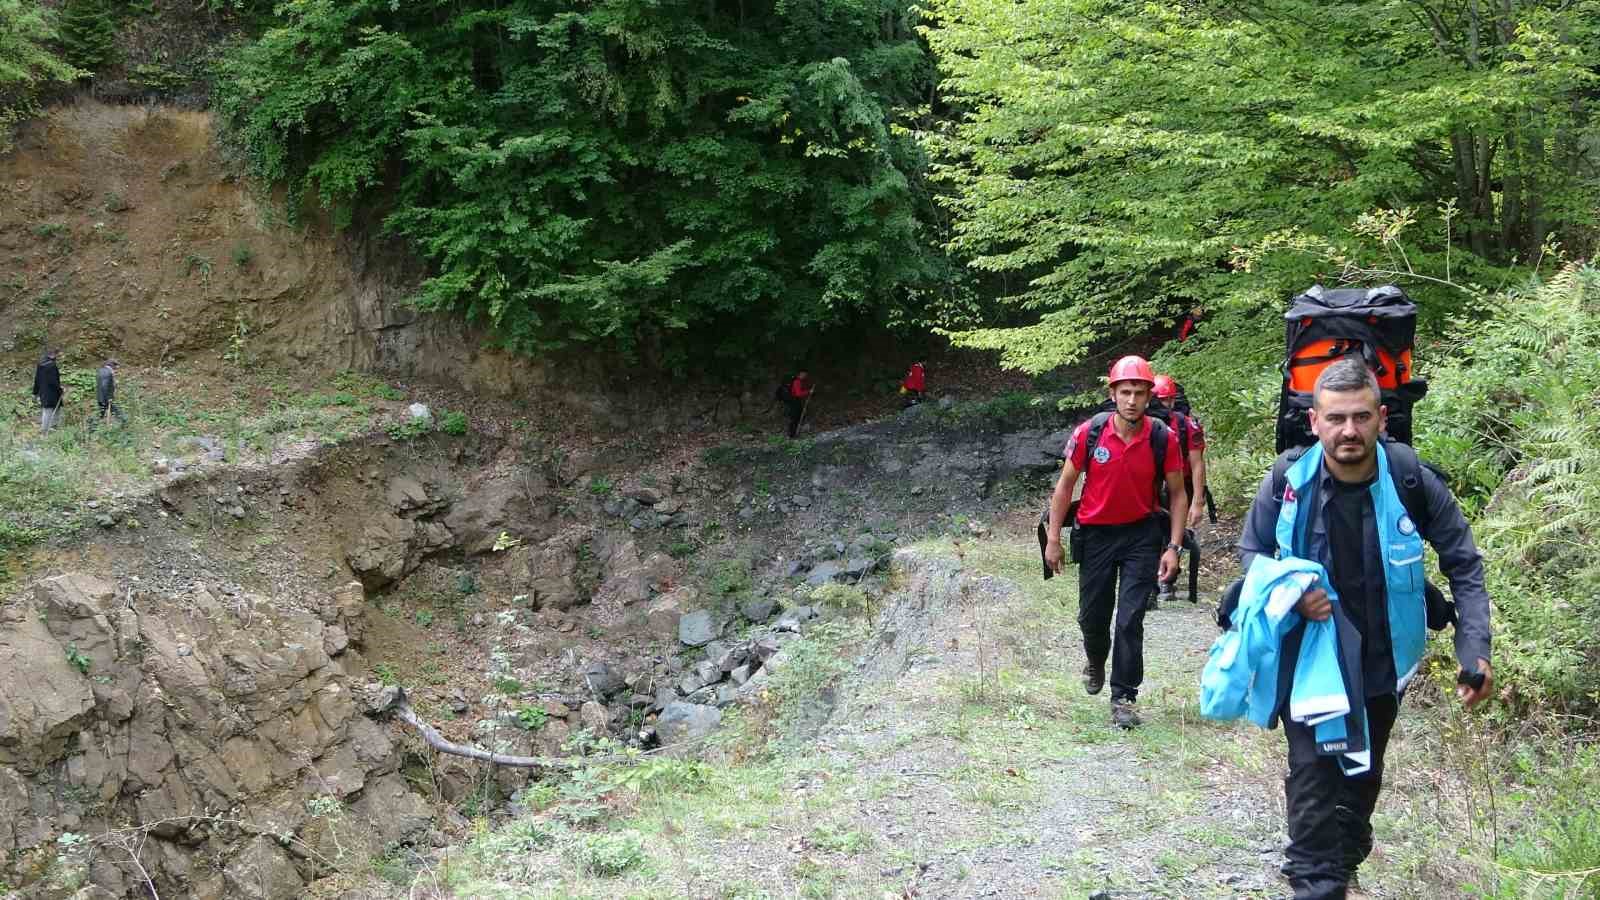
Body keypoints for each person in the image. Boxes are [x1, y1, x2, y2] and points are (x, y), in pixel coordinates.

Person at [1237, 356, 1492, 899]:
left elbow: (1464, 564)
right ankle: (1316, 878)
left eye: (1359, 417)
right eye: (1335, 419)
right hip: (1309, 665)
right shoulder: (1289, 481)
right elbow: (1253, 553)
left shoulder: (1410, 480)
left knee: (1357, 790)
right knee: (1312, 786)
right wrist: (1292, 593)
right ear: (1315, 422)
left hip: (1382, 663)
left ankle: (1341, 863)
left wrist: (1475, 649)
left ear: (1380, 417)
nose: (1347, 430)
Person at [1043, 355, 1187, 728]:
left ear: (1149, 395)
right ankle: (1095, 658)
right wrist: (1053, 539)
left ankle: (1124, 697)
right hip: (1096, 535)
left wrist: (1173, 546)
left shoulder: (1162, 437)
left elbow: (1177, 493)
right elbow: (1065, 487)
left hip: (1141, 534)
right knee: (1093, 618)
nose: (1132, 400)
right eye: (1125, 391)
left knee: (1130, 619)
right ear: (1113, 393)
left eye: (1140, 392)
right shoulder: (1089, 433)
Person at [1149, 374, 1208, 607]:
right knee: (1151, 530)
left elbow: (1196, 463)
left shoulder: (1186, 424)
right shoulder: (1142, 425)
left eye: (1167, 400)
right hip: (1151, 484)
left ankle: (1167, 578)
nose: (1164, 405)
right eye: (1160, 400)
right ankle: (1152, 579)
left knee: (1175, 531)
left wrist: (1198, 501)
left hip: (1180, 485)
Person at [31, 349, 63, 433]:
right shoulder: (52, 366)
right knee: (54, 409)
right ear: (53, 356)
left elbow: (37, 380)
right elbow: (54, 381)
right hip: (53, 392)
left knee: (47, 409)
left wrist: (35, 392)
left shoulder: (40, 365)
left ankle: (47, 428)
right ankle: (48, 429)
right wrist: (60, 389)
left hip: (43, 392)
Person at [783, 370, 813, 438]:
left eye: (806, 375)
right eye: (804, 374)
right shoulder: (797, 381)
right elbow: (798, 394)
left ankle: (795, 433)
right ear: (800, 374)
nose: (805, 376)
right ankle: (792, 435)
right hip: (794, 401)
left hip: (794, 401)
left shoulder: (797, 381)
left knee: (797, 417)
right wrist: (808, 392)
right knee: (795, 417)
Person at [95, 359, 126, 426]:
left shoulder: (101, 371)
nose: (116, 370)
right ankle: (124, 423)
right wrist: (109, 397)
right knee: (116, 411)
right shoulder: (108, 372)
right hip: (105, 398)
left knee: (100, 414)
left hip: (100, 397)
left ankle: (91, 428)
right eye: (116, 368)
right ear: (112, 365)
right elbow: (104, 386)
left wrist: (113, 383)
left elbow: (104, 384)